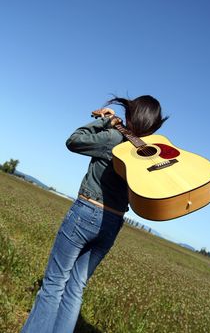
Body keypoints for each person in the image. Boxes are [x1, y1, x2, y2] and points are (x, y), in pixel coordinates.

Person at [21, 95, 168, 333]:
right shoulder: (149, 155)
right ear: (153, 125)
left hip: (86, 213)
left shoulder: (114, 139)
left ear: (131, 115)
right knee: (76, 288)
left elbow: (74, 141)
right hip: (113, 223)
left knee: (54, 284)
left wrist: (102, 122)